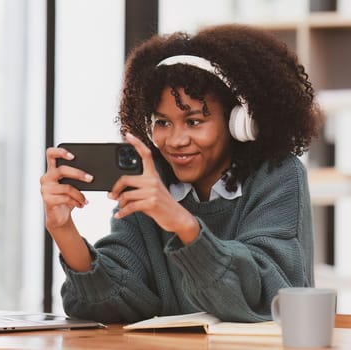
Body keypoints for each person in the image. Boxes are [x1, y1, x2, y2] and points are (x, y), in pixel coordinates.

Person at [40, 24, 323, 323]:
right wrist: (64, 231)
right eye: (162, 122)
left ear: (239, 121)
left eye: (194, 122)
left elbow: (263, 298)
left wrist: (179, 221)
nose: (175, 141)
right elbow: (114, 303)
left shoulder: (277, 176)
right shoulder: (153, 182)